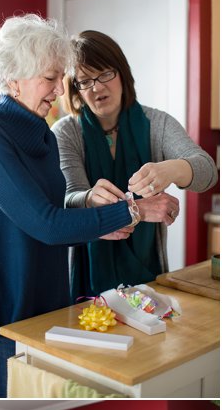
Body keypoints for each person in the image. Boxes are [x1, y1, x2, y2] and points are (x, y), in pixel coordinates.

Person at [0, 14, 141, 398]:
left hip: (47, 307)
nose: (60, 89)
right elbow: (45, 224)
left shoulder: (42, 134)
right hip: (4, 313)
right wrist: (129, 211)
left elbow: (50, 217)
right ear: (14, 79)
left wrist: (99, 225)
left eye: (61, 77)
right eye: (50, 78)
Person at [55, 30, 218, 299]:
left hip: (149, 279)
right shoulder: (66, 132)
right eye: (85, 81)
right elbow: (69, 200)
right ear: (75, 89)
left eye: (105, 74)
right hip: (85, 284)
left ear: (122, 73)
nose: (97, 88)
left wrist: (171, 169)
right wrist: (92, 198)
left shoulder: (157, 123)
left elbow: (208, 171)